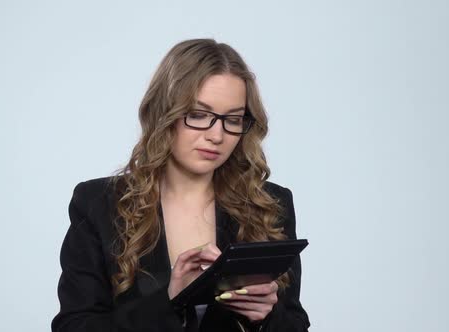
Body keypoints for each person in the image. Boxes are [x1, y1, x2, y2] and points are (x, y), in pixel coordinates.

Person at [51, 38, 310, 332]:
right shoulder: (99, 203)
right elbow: (74, 326)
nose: (217, 135)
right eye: (199, 115)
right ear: (165, 113)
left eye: (233, 119)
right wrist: (169, 301)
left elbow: (295, 324)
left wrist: (265, 319)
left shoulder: (270, 204)